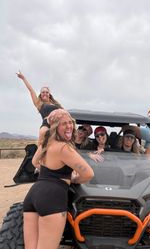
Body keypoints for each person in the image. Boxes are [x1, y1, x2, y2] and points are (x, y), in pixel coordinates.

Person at [23, 109, 94, 249]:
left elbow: (34, 163)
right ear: (55, 128)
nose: (69, 126)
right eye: (63, 124)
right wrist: (73, 179)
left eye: (70, 123)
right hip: (52, 198)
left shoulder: (46, 143)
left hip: (33, 195)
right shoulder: (63, 148)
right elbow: (88, 174)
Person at [16, 70, 63, 145]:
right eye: (42, 92)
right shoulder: (39, 104)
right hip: (47, 125)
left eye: (46, 92)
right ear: (40, 94)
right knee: (42, 143)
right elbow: (31, 90)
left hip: (58, 124)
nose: (45, 93)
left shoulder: (55, 103)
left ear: (49, 94)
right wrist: (23, 78)